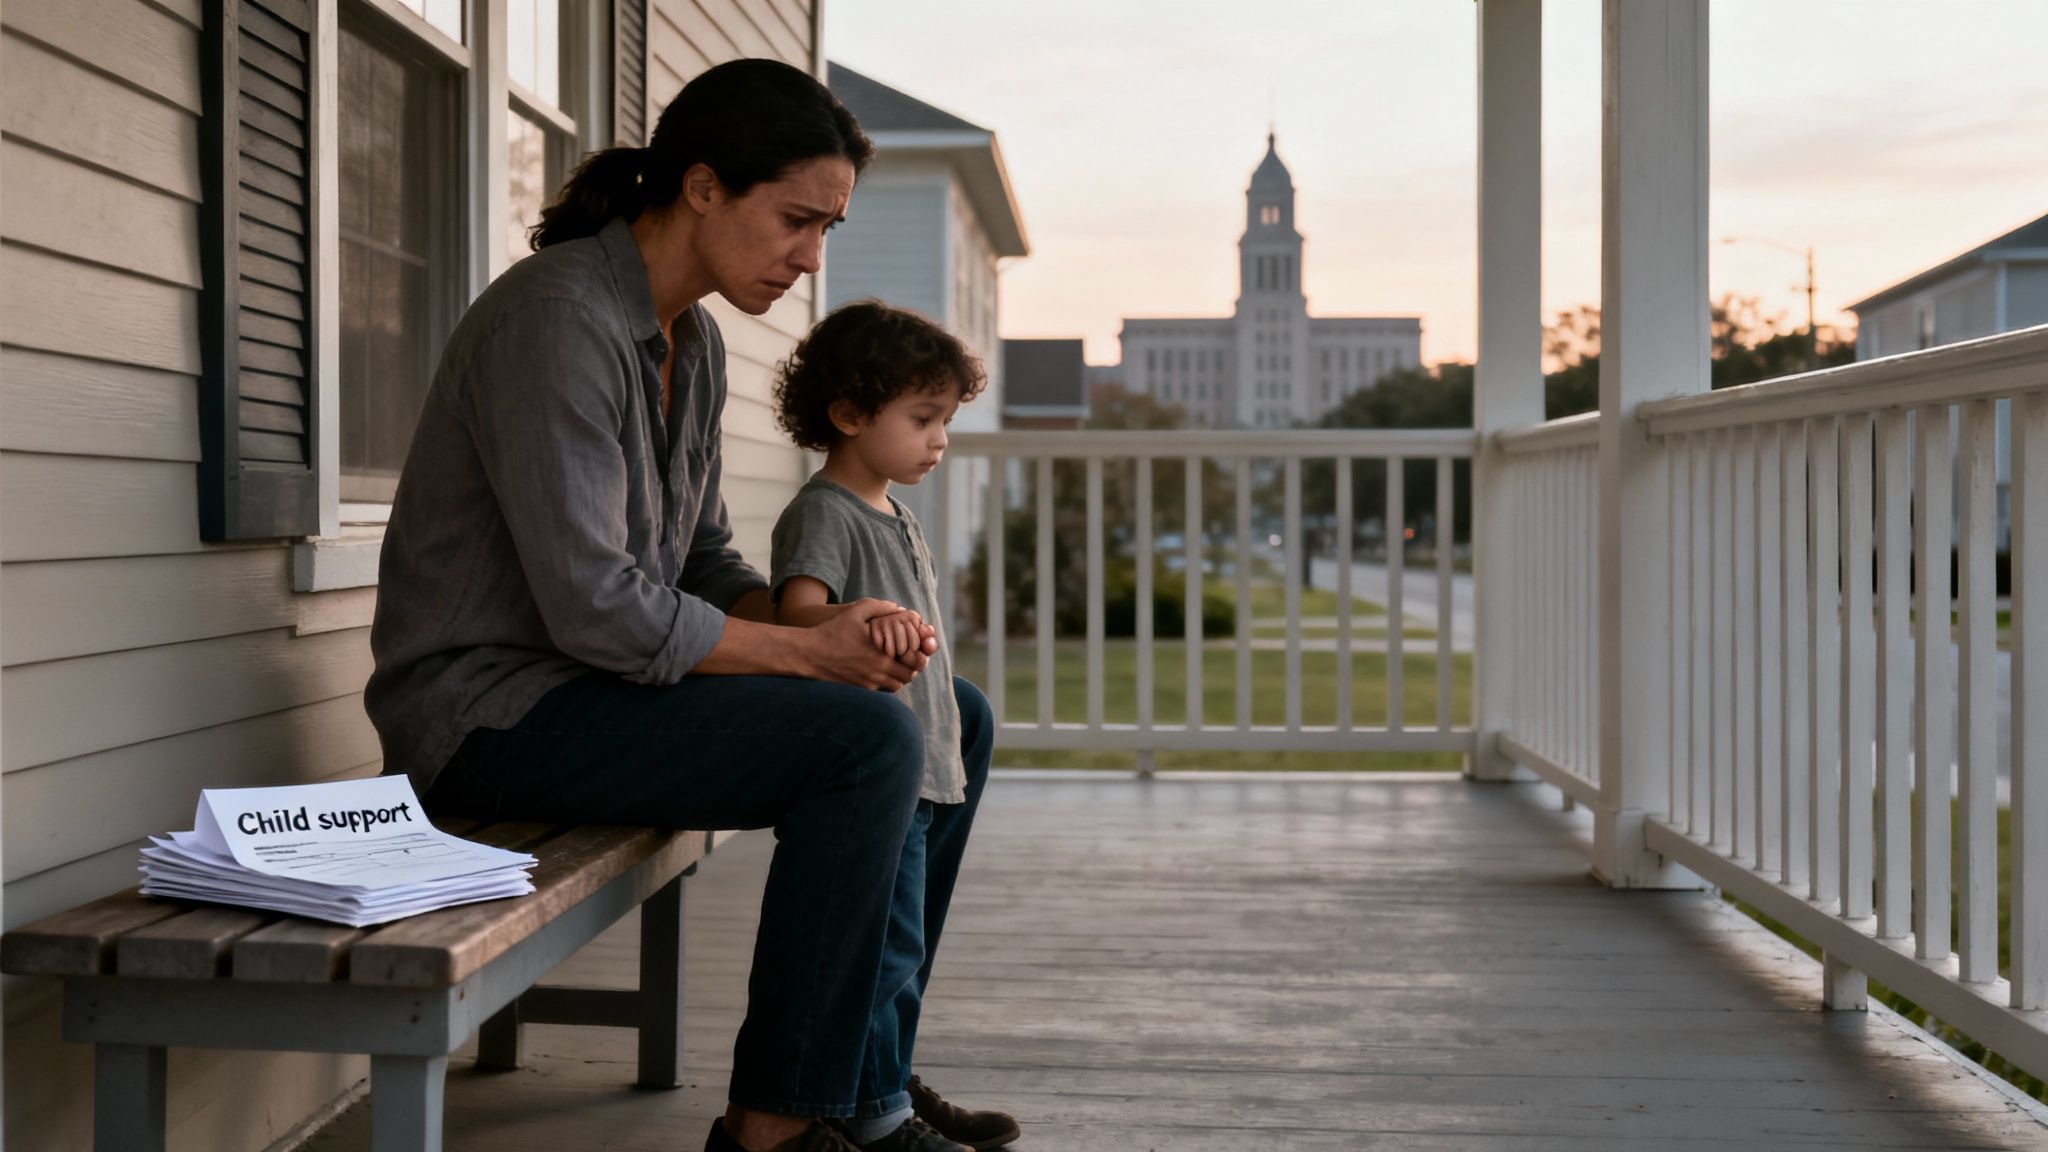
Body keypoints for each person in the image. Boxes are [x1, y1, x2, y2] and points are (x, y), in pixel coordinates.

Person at [363, 59, 995, 1152]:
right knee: (863, 745)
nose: (808, 261)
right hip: (489, 720)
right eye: (795, 221)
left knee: (953, 713)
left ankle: (860, 1078)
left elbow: (695, 554)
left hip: (592, 694)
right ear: (702, 187)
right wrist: (806, 664)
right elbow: (597, 607)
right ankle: (773, 1131)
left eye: (826, 230)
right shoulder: (558, 324)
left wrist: (823, 629)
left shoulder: (686, 340)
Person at [768, 302, 1018, 1152]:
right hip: (878, 770)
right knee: (885, 949)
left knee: (902, 949)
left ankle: (884, 1083)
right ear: (848, 414)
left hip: (924, 758)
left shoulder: (894, 512)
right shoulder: (825, 513)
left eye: (945, 421)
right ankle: (876, 1117)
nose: (939, 440)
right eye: (922, 419)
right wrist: (858, 618)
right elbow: (799, 613)